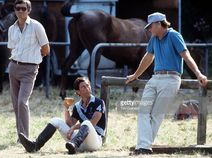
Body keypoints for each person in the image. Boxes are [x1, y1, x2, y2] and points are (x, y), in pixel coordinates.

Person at [125, 12, 208, 155]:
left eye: (150, 27)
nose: (149, 30)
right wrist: (135, 75)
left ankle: (143, 148)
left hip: (171, 79)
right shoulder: (154, 38)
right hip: (155, 78)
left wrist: (198, 74)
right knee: (143, 111)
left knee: (157, 114)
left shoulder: (174, 35)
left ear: (158, 24)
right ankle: (144, 147)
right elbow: (148, 57)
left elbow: (186, 56)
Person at [18, 77, 106, 154]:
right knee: (56, 120)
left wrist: (73, 128)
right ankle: (34, 146)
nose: (87, 88)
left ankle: (74, 144)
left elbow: (93, 123)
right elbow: (70, 123)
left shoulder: (99, 102)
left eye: (88, 85)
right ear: (78, 92)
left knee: (86, 123)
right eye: (83, 87)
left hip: (95, 141)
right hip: (80, 142)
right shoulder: (78, 106)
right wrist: (66, 108)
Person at [7, 0, 50, 140]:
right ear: (14, 10)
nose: (20, 11)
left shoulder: (36, 26)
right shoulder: (11, 29)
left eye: (23, 9)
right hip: (13, 67)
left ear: (28, 10)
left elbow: (46, 48)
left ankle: (25, 136)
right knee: (15, 104)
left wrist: (36, 57)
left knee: (22, 102)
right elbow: (12, 48)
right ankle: (20, 135)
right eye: (17, 8)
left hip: (29, 70)